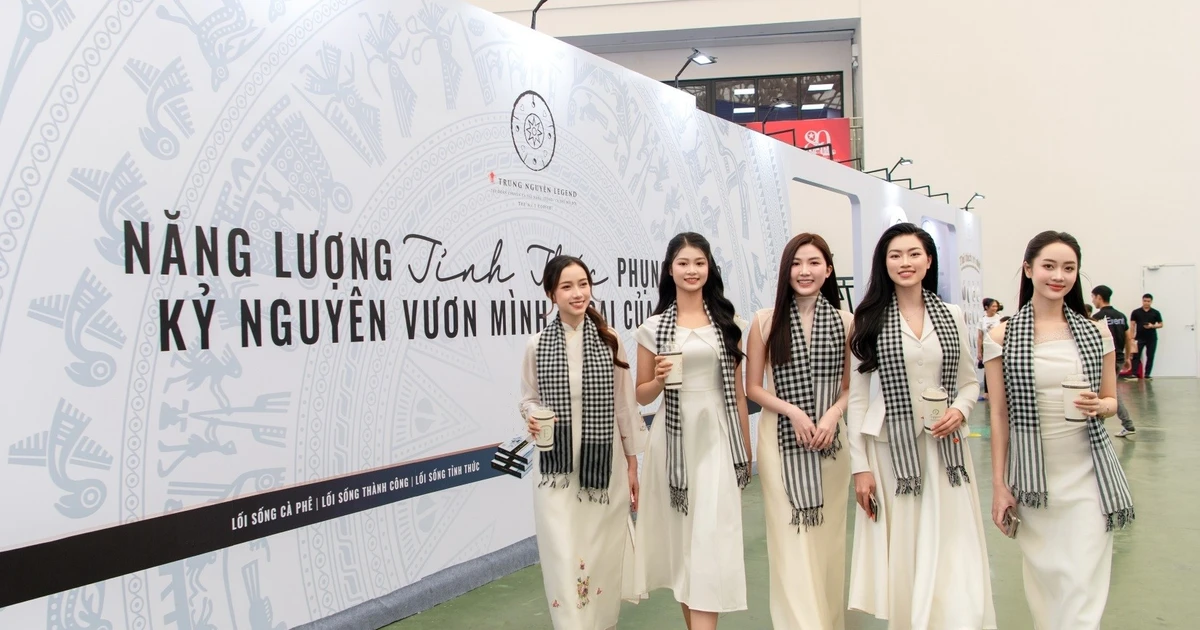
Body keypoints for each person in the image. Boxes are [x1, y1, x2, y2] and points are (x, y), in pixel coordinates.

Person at [846, 223, 996, 630]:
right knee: (906, 545)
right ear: (884, 264)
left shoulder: (952, 315)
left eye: (914, 254)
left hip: (946, 449)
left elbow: (970, 381)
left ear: (929, 261)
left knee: (953, 542)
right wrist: (860, 467)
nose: (905, 262)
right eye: (895, 255)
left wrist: (960, 410)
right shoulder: (868, 318)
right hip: (891, 450)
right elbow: (857, 399)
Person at [984, 232, 1135, 629]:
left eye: (1069, 268)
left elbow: (1111, 400)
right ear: (1028, 269)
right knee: (1048, 589)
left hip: (1088, 475)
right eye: (1049, 266)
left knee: (1081, 587)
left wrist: (1100, 406)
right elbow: (998, 415)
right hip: (1034, 480)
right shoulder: (1002, 336)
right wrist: (999, 485)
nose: (1058, 276)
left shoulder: (1096, 332)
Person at [519, 255, 647, 629]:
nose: (578, 293)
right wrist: (531, 415)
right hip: (555, 470)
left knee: (600, 553)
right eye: (567, 286)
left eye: (583, 284)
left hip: (604, 468)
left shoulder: (609, 341)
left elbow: (624, 405)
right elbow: (528, 398)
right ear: (551, 294)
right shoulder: (537, 345)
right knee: (562, 552)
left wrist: (632, 463)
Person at [633, 232, 752, 630]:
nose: (691, 270)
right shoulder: (653, 328)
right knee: (685, 545)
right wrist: (659, 379)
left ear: (709, 268)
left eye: (699, 262)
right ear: (670, 269)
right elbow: (642, 395)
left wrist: (745, 450)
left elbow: (738, 394)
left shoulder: (729, 324)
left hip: (717, 437)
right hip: (672, 444)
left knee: (708, 542)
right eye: (683, 263)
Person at [745, 233, 852, 629]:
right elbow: (753, 387)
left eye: (813, 263)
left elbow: (850, 388)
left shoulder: (846, 322)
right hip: (779, 441)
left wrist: (831, 415)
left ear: (828, 269)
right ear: (785, 270)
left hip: (830, 444)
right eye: (796, 263)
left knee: (828, 539)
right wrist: (793, 411)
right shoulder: (765, 320)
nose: (804, 271)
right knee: (790, 538)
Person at [1091, 285, 1137, 436]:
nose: (1093, 300)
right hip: (1119, 358)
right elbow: (1128, 338)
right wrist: (1128, 357)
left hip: (1106, 360)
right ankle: (1123, 424)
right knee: (1110, 390)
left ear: (1099, 297)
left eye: (1093, 297)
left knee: (1108, 393)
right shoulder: (1120, 316)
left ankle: (1125, 424)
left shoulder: (1098, 317)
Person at [1129, 293, 1164, 379]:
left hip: (1152, 338)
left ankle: (1147, 374)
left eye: (1148, 301)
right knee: (1136, 356)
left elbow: (1161, 324)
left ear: (1151, 302)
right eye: (1145, 301)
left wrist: (1152, 326)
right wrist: (1131, 338)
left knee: (1150, 356)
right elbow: (1132, 325)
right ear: (1142, 301)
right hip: (1139, 337)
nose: (1146, 303)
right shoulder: (1136, 312)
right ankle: (1134, 373)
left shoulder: (1156, 312)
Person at [977, 298, 1003, 400]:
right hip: (986, 347)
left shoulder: (1000, 318)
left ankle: (999, 392)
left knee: (999, 369)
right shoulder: (982, 320)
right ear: (986, 307)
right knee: (987, 370)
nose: (995, 308)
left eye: (996, 306)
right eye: (993, 306)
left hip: (998, 346)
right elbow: (980, 337)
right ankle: (987, 393)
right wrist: (979, 351)